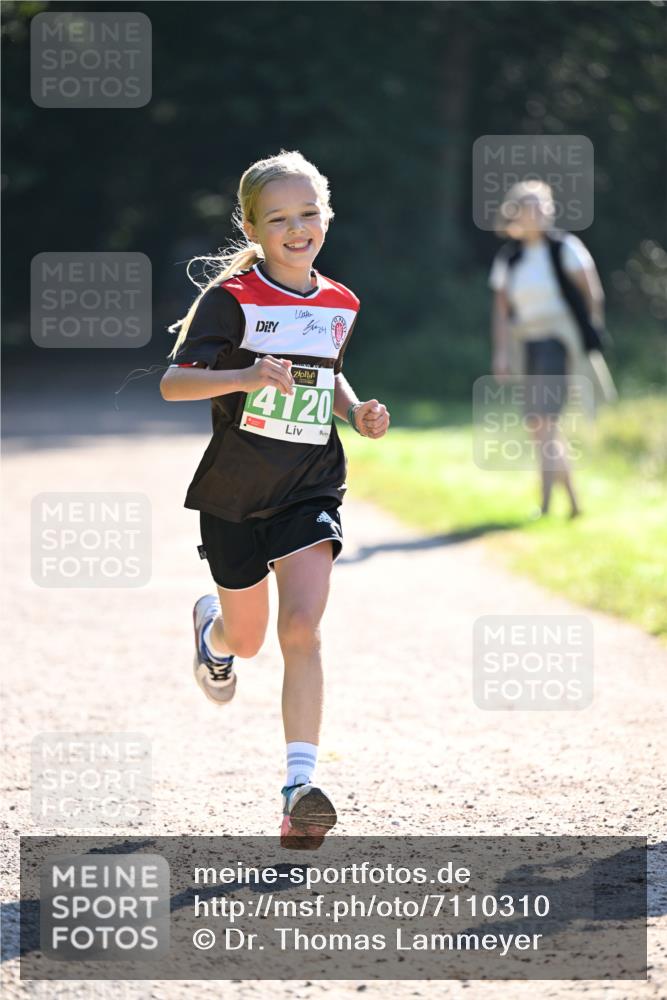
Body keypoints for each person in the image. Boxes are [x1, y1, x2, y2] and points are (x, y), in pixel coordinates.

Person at [160, 150, 390, 849]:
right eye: (280, 218)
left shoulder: (340, 301)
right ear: (253, 228)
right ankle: (212, 635)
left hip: (309, 484)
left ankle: (298, 788)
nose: (298, 228)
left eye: (308, 213)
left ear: (326, 215)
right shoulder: (232, 301)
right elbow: (174, 383)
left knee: (301, 629)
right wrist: (245, 374)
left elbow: (329, 376)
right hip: (234, 493)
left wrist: (354, 412)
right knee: (250, 639)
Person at [489, 180, 617, 517]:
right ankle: (572, 504)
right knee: (541, 426)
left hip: (557, 342)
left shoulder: (566, 248)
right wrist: (501, 353)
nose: (539, 212)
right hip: (527, 343)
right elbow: (502, 312)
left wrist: (588, 335)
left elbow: (593, 295)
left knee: (543, 422)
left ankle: (546, 506)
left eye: (542, 205)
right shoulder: (510, 258)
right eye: (530, 206)